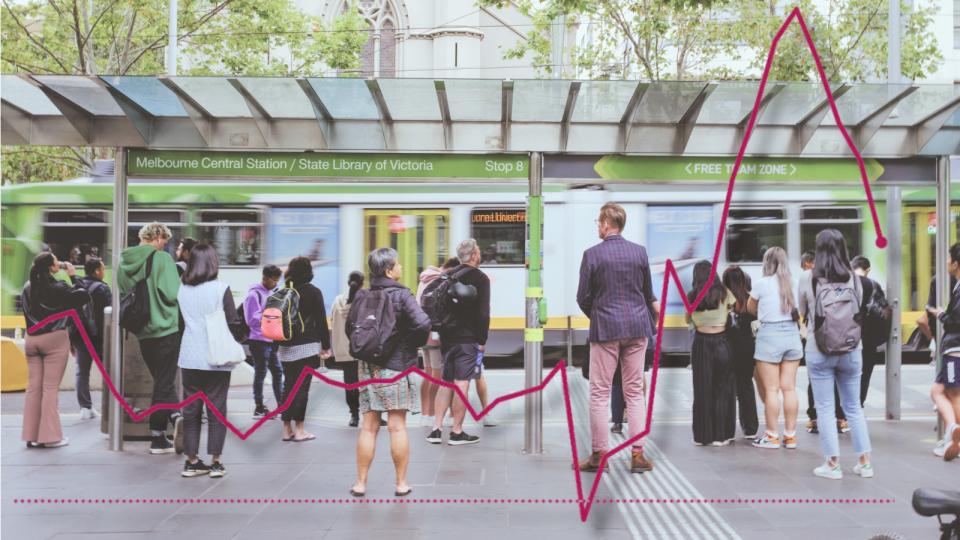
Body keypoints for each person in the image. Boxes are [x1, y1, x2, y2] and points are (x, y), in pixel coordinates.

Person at [574, 203, 658, 474]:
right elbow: (648, 296)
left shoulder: (592, 255)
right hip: (638, 328)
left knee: (599, 393)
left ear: (606, 223)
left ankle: (599, 457)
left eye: (598, 221)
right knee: (634, 392)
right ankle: (637, 456)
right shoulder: (640, 252)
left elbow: (582, 298)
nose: (597, 226)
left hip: (606, 330)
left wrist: (599, 314)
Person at [346, 248, 431, 497]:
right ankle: (401, 483)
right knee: (396, 427)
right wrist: (407, 344)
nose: (401, 268)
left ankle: (360, 483)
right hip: (395, 368)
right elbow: (423, 323)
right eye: (398, 264)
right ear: (388, 270)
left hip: (367, 369)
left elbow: (350, 328)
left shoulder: (362, 296)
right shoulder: (402, 295)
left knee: (369, 427)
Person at [799, 229, 873, 479]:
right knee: (853, 407)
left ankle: (832, 465)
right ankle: (865, 463)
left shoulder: (808, 278)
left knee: (825, 408)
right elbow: (858, 308)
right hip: (852, 348)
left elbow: (803, 311)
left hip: (819, 349)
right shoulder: (854, 278)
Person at [176, 244, 244, 477]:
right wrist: (241, 337)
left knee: (191, 411)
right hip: (216, 358)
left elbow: (180, 325)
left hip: (189, 357)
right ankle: (216, 463)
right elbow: (233, 323)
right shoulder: (221, 288)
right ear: (213, 262)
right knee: (216, 410)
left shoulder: (182, 289)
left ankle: (191, 462)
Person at [117, 222, 183, 455]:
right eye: (165, 241)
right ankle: (157, 436)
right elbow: (173, 294)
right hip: (166, 328)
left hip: (143, 331)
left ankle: (176, 416)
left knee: (161, 379)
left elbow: (125, 295)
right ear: (157, 236)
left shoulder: (123, 262)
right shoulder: (162, 259)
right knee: (164, 382)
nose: (165, 246)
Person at [21, 252, 91, 448]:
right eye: (55, 261)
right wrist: (74, 276)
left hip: (31, 340)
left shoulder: (28, 287)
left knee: (34, 387)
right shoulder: (58, 286)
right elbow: (83, 297)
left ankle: (31, 436)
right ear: (52, 268)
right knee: (49, 388)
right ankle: (50, 437)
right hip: (54, 340)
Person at [427, 239, 492, 446]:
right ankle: (456, 432)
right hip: (467, 339)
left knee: (446, 382)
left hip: (446, 337)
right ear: (473, 256)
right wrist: (482, 339)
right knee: (462, 383)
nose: (480, 255)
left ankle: (436, 429)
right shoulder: (480, 278)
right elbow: (483, 312)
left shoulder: (446, 275)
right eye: (479, 252)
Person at [748, 247, 803, 450]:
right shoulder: (794, 283)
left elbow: (749, 308)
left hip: (769, 335)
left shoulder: (762, 284)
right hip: (791, 334)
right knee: (789, 388)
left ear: (767, 263)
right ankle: (790, 436)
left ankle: (772, 436)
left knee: (771, 389)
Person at [277, 256, 331, 442]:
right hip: (306, 346)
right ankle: (300, 430)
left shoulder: (282, 291)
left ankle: (286, 430)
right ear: (309, 272)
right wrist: (326, 347)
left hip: (285, 347)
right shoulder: (313, 292)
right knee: (301, 389)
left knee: (287, 387)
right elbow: (321, 323)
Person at [685, 260, 737, 447]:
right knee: (723, 389)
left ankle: (702, 436)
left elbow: (687, 319)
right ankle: (721, 436)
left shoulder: (691, 296)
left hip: (701, 343)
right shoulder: (725, 293)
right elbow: (733, 310)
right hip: (723, 341)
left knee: (702, 389)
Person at [416, 257, 459, 428]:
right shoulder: (438, 280)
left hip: (423, 334)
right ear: (450, 269)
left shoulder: (425, 277)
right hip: (434, 335)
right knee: (438, 376)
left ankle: (425, 414)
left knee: (428, 374)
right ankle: (434, 414)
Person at [928, 242, 960, 461]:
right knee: (939, 391)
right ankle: (951, 432)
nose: (946, 262)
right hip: (954, 349)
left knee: (953, 393)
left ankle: (954, 434)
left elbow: (956, 321)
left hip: (956, 349)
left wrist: (940, 314)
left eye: (949, 259)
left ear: (956, 263)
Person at [722, 265, 760, 439]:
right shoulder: (749, 299)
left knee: (727, 389)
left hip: (726, 347)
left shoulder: (721, 299)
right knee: (745, 386)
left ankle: (728, 431)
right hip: (746, 347)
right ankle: (750, 428)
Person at [72, 257, 111, 419]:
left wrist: (70, 340)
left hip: (79, 337)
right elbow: (112, 314)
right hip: (99, 338)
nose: (103, 272)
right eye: (102, 269)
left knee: (82, 372)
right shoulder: (102, 288)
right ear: (97, 271)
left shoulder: (75, 287)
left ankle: (85, 408)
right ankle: (111, 407)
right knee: (109, 373)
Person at [245, 264, 284, 419]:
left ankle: (281, 405)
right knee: (261, 373)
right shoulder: (254, 295)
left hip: (270, 339)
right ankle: (259, 407)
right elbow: (251, 319)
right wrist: (270, 316)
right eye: (273, 281)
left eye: (277, 281)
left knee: (277, 371)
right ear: (264, 278)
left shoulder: (271, 293)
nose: (275, 284)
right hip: (258, 340)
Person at [851, 255, 888, 407]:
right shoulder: (874, 286)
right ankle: (858, 405)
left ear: (852, 267)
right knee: (864, 374)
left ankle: (842, 412)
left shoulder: (846, 284)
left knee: (845, 374)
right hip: (868, 339)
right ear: (868, 270)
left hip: (847, 338)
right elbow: (884, 311)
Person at [330, 271, 365, 427]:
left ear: (348, 283)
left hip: (344, 349)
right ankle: (372, 415)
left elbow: (332, 322)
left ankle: (354, 416)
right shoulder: (364, 300)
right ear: (362, 284)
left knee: (349, 383)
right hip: (362, 349)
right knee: (365, 383)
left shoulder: (338, 301)